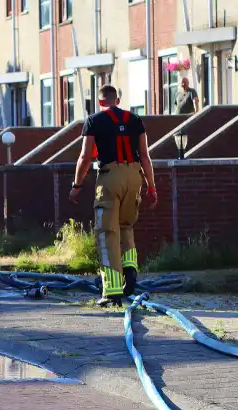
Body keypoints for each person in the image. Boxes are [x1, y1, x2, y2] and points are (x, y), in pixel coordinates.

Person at [68, 85, 157, 307]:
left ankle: (112, 291)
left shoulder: (94, 121)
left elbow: (85, 156)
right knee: (125, 225)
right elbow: (145, 156)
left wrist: (77, 185)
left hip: (110, 177)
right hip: (134, 175)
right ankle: (130, 269)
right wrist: (151, 187)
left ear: (100, 102)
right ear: (117, 99)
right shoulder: (136, 120)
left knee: (107, 232)